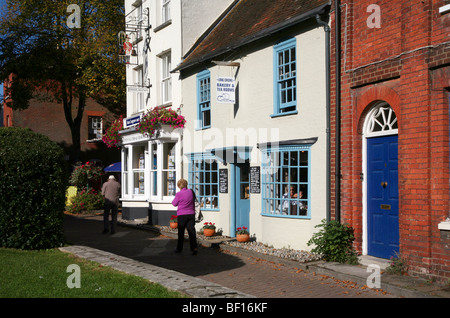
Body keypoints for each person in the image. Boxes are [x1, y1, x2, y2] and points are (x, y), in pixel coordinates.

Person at [171, 178, 198, 255]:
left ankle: (179, 249)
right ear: (186, 185)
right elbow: (194, 200)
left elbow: (174, 203)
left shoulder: (178, 194)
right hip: (191, 214)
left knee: (181, 232)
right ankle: (194, 248)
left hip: (182, 215)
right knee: (191, 231)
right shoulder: (191, 192)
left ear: (179, 186)